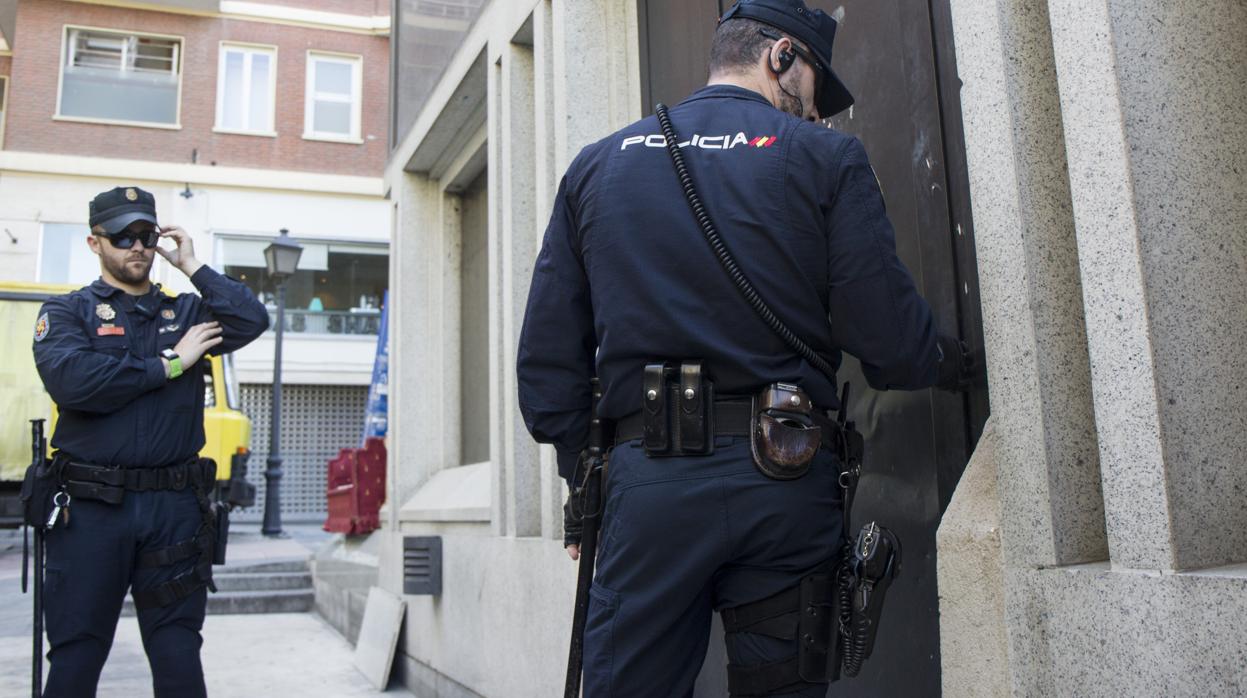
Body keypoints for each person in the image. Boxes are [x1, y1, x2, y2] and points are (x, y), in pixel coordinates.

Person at [517, 0, 977, 695]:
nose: (817, 111)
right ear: (781, 56)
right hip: (783, 479)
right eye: (817, 84)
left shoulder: (597, 165)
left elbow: (549, 362)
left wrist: (583, 486)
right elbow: (888, 343)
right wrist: (959, 364)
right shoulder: (826, 157)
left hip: (647, 490)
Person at [31, 186, 269, 697]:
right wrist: (171, 364)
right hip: (91, 511)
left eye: (146, 234)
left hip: (173, 511)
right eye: (122, 236)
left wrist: (194, 267)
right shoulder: (68, 312)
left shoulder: (186, 312)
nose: (136, 246)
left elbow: (253, 319)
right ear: (95, 243)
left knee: (178, 651)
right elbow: (75, 382)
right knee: (77, 652)